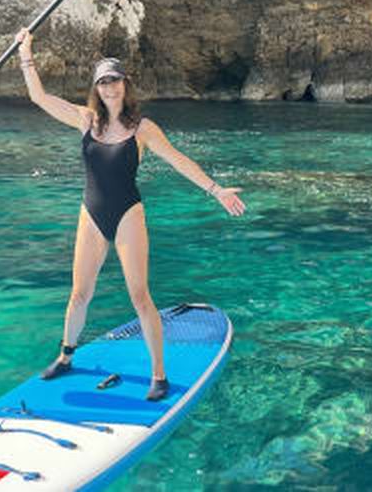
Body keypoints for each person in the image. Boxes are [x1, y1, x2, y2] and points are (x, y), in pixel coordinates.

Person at [15, 28, 245, 401]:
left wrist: (216, 191)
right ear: (97, 88)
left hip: (127, 215)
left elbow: (178, 161)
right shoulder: (85, 120)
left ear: (125, 84)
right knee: (79, 293)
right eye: (103, 83)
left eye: (115, 82)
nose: (109, 89)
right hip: (91, 214)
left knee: (139, 295)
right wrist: (26, 51)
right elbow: (38, 97)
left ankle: (158, 374)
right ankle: (66, 356)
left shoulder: (143, 128)